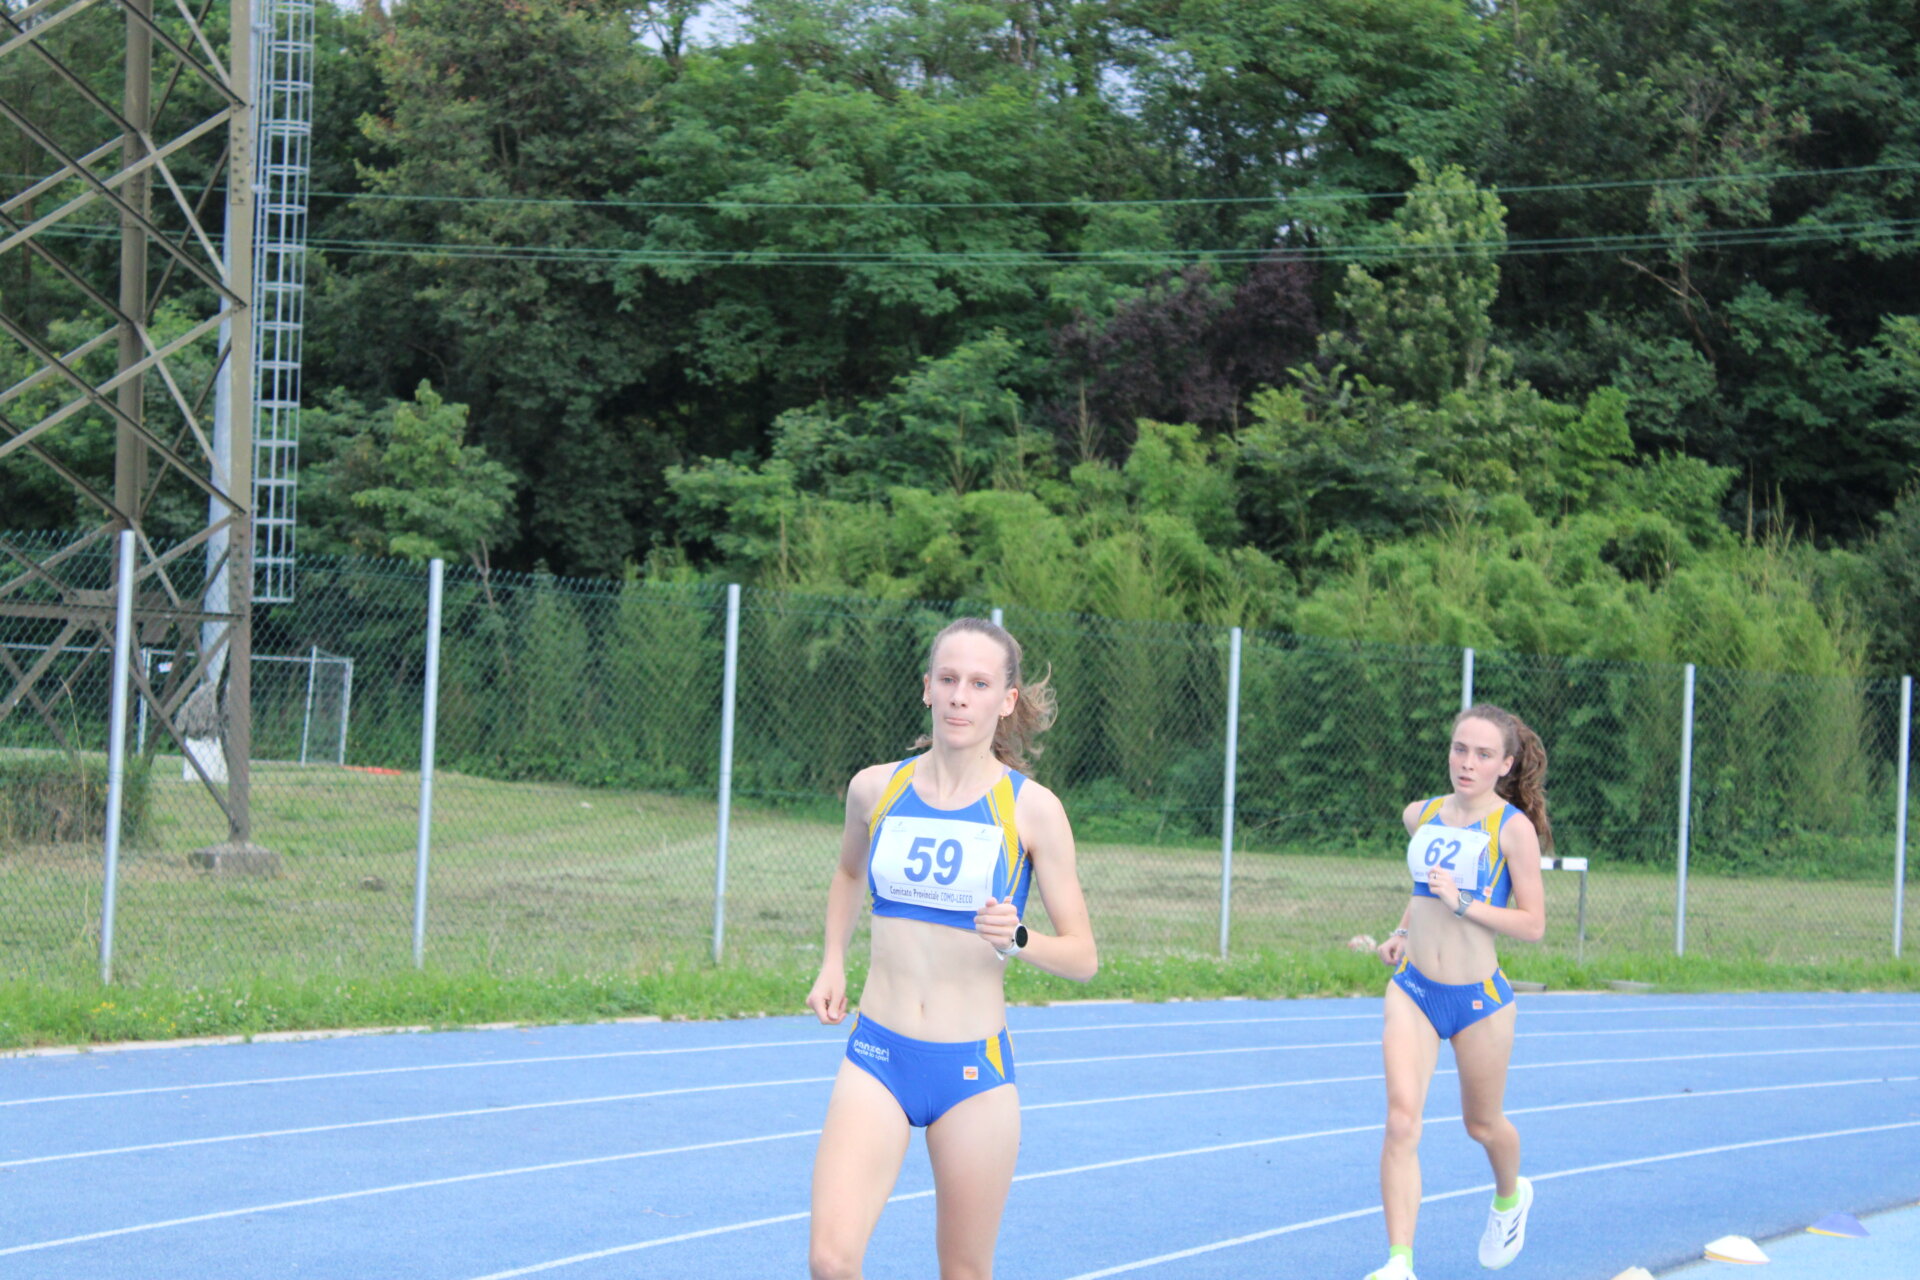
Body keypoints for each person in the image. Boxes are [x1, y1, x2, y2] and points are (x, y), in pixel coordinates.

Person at [806, 617, 1097, 1280]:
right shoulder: (875, 788)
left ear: (1006, 700)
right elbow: (850, 873)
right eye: (949, 679)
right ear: (927, 691)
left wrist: (1019, 938)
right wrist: (832, 959)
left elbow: (1083, 957)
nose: (962, 695)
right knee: (829, 1259)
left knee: (964, 1272)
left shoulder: (1033, 810)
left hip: (973, 1072)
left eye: (979, 682)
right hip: (878, 1051)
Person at [1363, 703, 1551, 1280]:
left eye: (1483, 754)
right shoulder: (1424, 814)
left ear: (1506, 764)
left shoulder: (1511, 829)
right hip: (1414, 988)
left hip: (1478, 1000)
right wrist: (1401, 931)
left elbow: (1533, 924)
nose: (1467, 763)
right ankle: (1399, 1264)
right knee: (1400, 1122)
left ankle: (1509, 1195)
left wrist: (1464, 903)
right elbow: (1425, 887)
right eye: (1460, 749)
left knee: (1483, 1125)